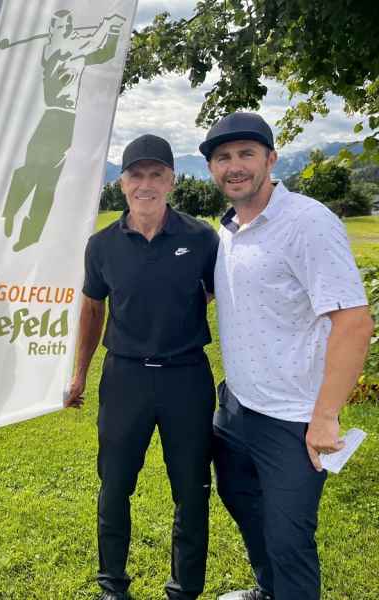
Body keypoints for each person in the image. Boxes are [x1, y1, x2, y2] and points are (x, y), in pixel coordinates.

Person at [202, 112, 374, 600]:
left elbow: (354, 322)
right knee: (242, 504)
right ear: (212, 169)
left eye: (246, 154)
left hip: (294, 419)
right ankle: (266, 590)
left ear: (271, 159)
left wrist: (325, 417)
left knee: (288, 540)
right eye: (223, 157)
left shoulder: (307, 222)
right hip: (236, 406)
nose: (235, 166)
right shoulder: (229, 228)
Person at [66, 134, 219, 600]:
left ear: (172, 180)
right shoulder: (101, 245)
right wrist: (80, 373)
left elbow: (218, 294)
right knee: (114, 485)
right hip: (125, 377)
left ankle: (185, 590)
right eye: (136, 175)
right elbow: (93, 309)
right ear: (122, 183)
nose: (146, 184)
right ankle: (112, 585)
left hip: (186, 377)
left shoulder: (201, 239)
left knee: (191, 489)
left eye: (157, 174)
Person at [0, 9, 126, 251]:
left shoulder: (75, 53)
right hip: (50, 117)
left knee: (48, 183)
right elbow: (87, 45)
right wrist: (107, 24)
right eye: (61, 27)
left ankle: (30, 234)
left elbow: (105, 53)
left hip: (68, 121)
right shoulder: (53, 50)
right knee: (30, 170)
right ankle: (10, 212)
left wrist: (113, 31)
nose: (66, 30)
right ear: (53, 31)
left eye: (68, 26)